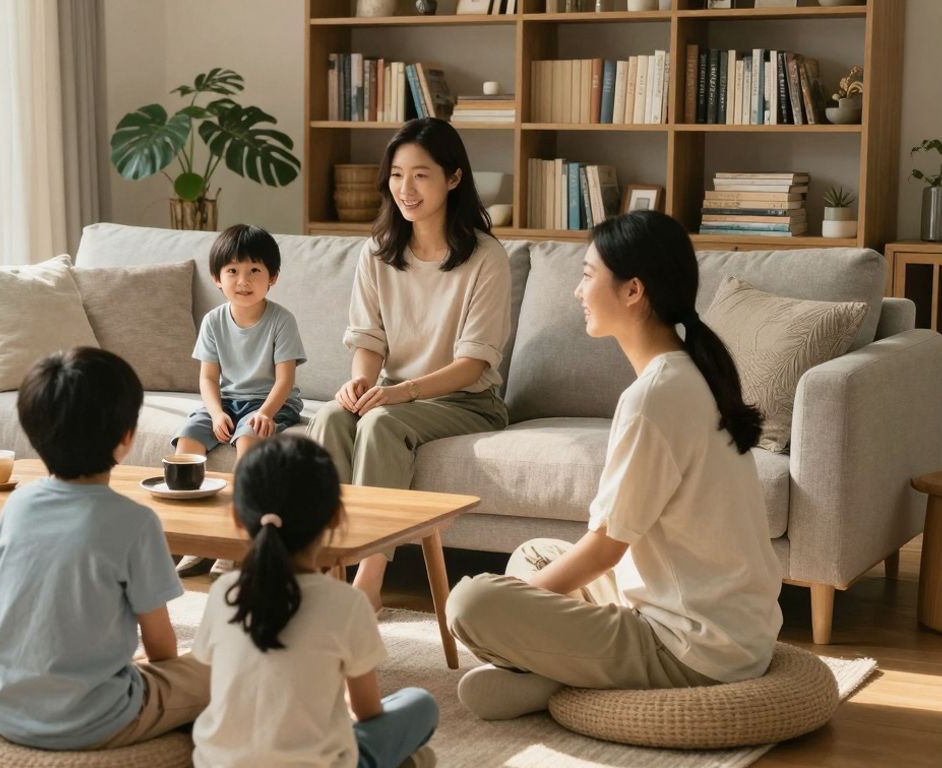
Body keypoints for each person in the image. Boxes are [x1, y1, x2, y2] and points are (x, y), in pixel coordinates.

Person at [445, 210, 783, 720]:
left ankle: (553, 673)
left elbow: (605, 549)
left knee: (470, 605)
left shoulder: (656, 396)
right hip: (722, 623)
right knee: (535, 555)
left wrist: (513, 608)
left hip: (692, 645)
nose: (578, 292)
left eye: (587, 275)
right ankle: (551, 676)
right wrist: (528, 608)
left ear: (633, 291)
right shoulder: (688, 371)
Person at [307, 117, 512, 609]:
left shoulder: (487, 257)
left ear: (454, 178)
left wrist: (396, 394)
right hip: (394, 393)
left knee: (380, 425)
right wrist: (358, 383)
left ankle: (369, 584)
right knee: (332, 416)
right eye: (397, 175)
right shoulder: (377, 252)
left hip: (468, 400)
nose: (406, 188)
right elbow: (369, 340)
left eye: (421, 174)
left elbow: (471, 364)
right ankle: (327, 573)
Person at [0, 347, 209, 750]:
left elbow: (12, 607)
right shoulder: (135, 522)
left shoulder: (15, 505)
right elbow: (159, 645)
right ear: (126, 437)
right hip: (92, 719)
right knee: (221, 667)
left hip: (2, 703)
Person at [190, 434, 438, 767]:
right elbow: (366, 712)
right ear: (336, 516)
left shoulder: (224, 593)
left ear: (237, 517)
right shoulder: (347, 604)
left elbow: (211, 693)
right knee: (419, 704)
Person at [173, 224, 307, 577]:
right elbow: (207, 378)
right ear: (217, 278)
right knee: (187, 438)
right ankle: (196, 540)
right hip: (227, 401)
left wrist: (265, 412)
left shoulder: (282, 320)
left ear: (272, 278)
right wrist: (216, 413)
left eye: (254, 271)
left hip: (272, 401)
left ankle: (235, 539)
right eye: (232, 271)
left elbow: (286, 380)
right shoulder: (213, 321)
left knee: (247, 438)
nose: (242, 280)